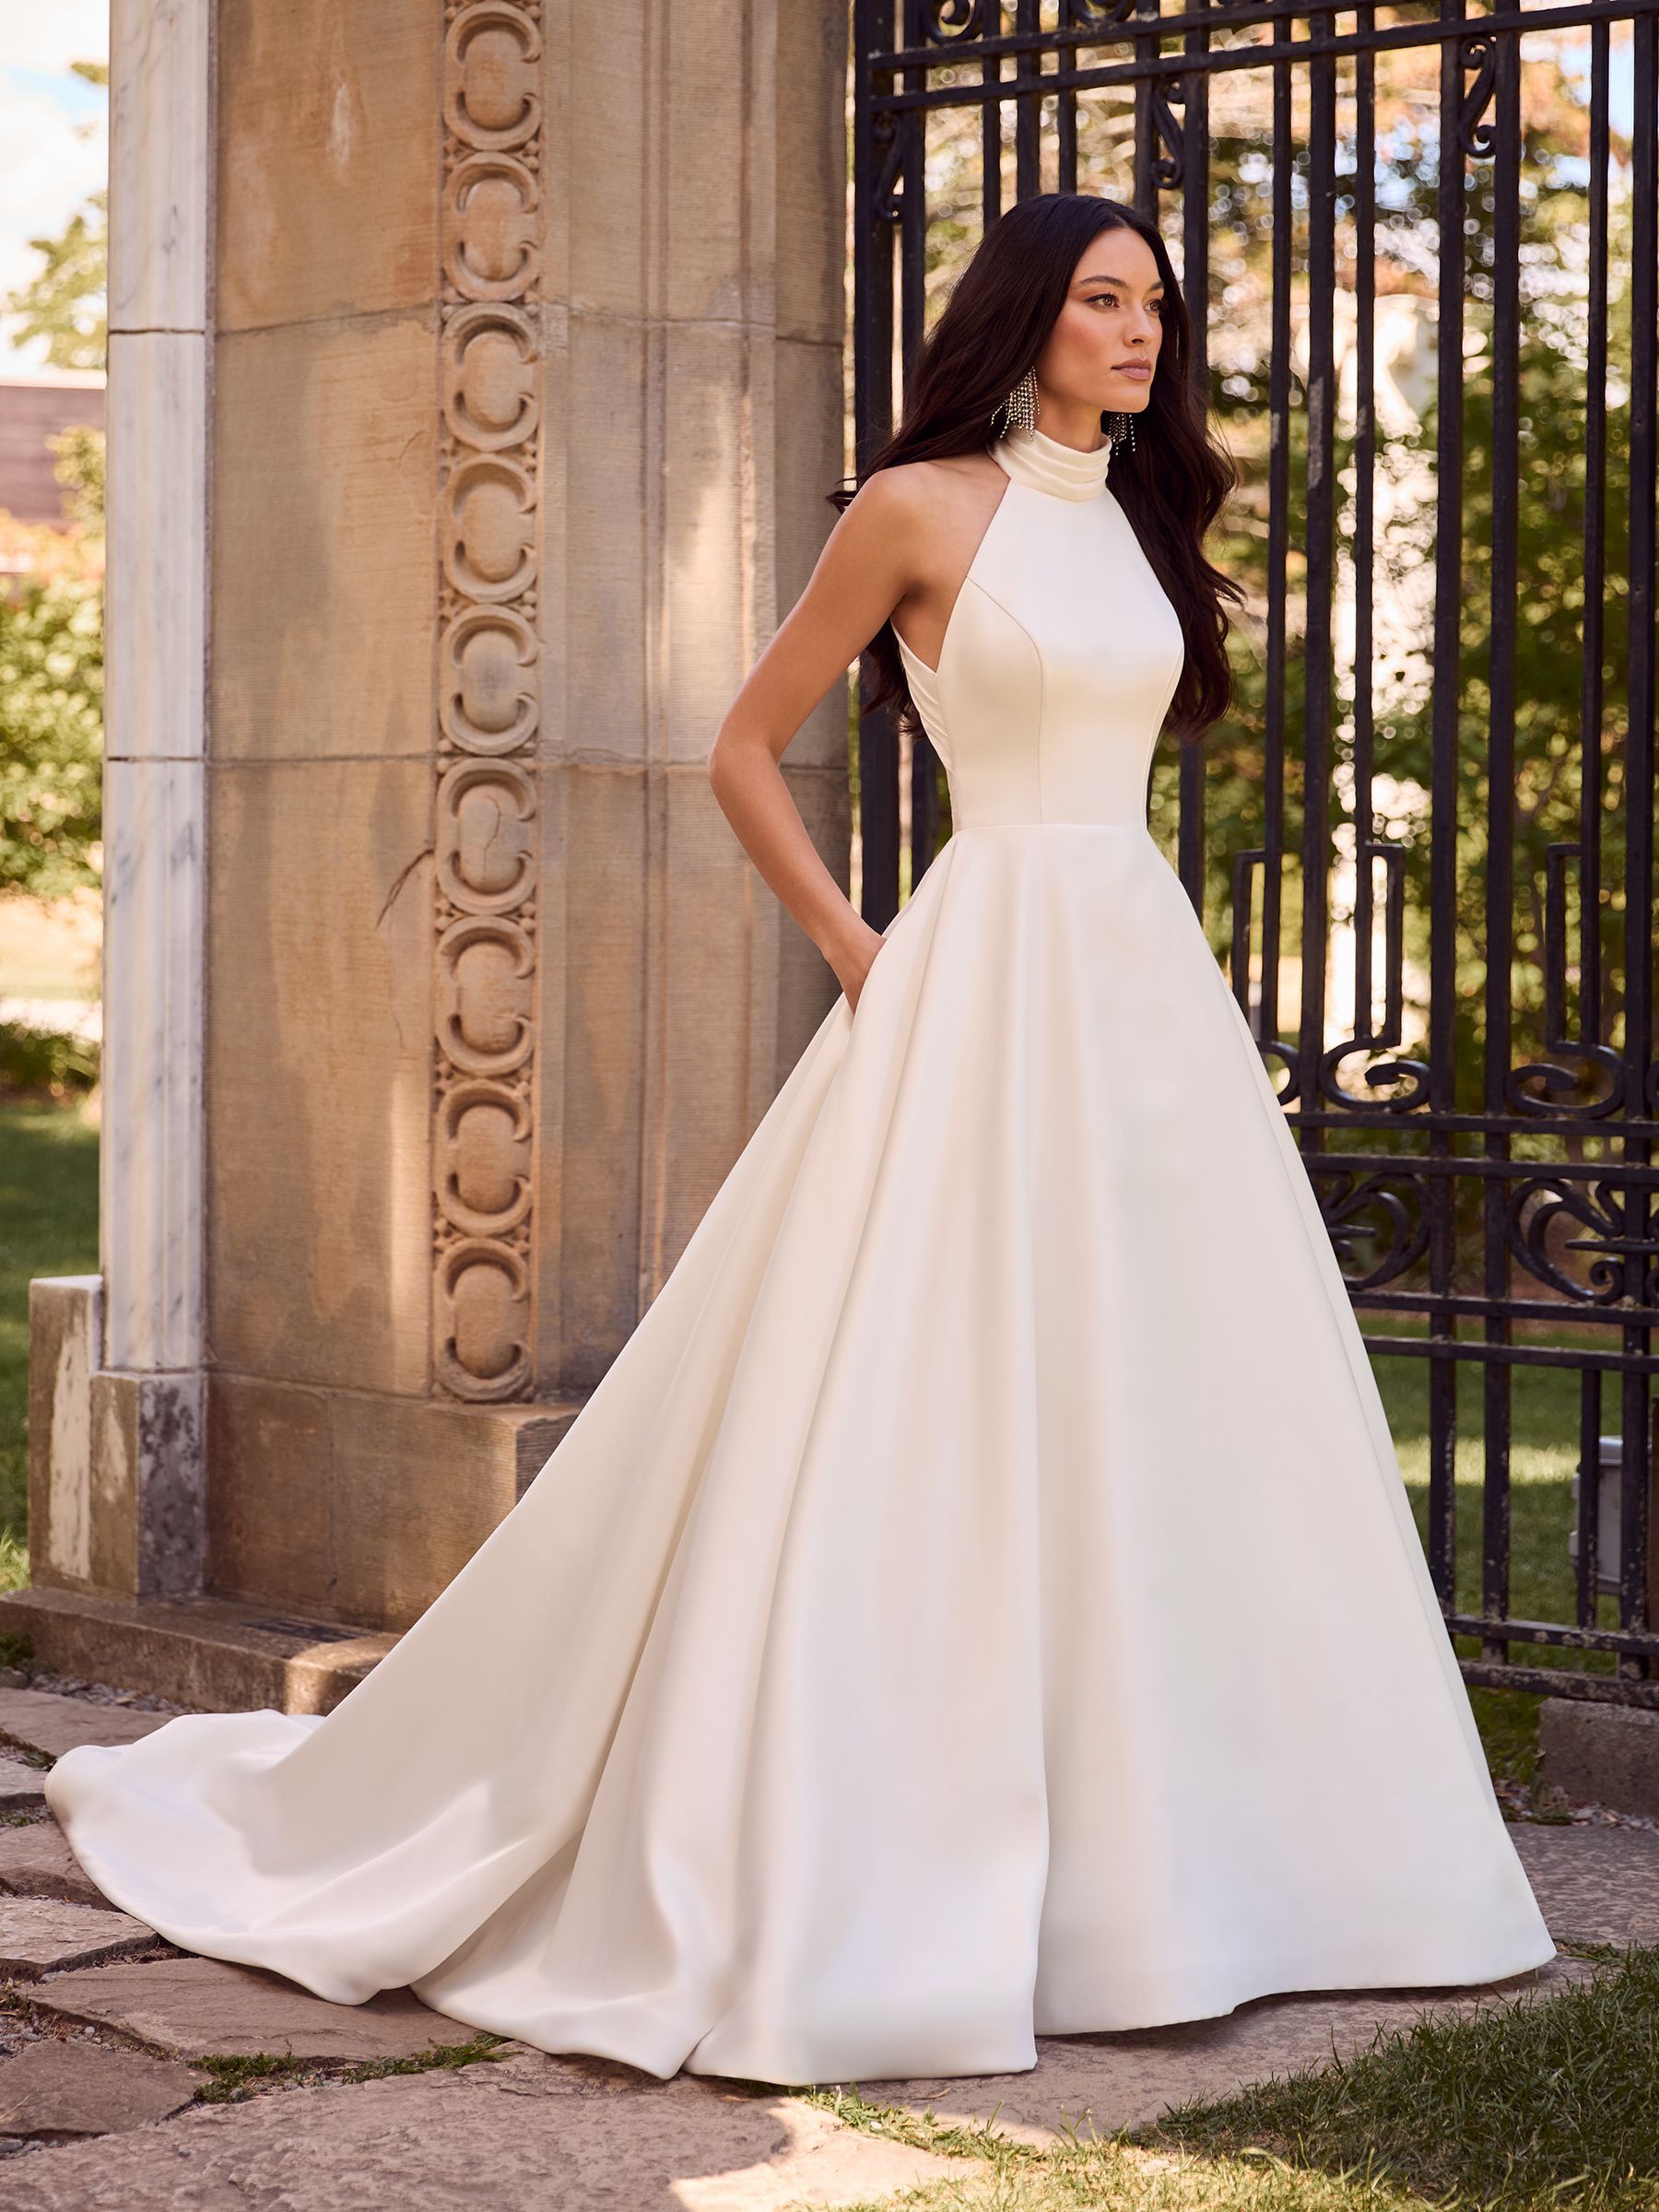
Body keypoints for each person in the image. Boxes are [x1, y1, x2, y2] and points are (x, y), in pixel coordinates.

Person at [46, 192, 1555, 2088]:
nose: (1139, 332)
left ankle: (1225, 1867)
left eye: (1156, 308)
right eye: (1103, 302)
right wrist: (853, 939)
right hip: (977, 969)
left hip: (1138, 986)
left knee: (1184, 1396)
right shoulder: (919, 509)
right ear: (1025, 318)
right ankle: (899, 1841)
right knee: (931, 1392)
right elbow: (743, 741)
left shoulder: (1152, 524)